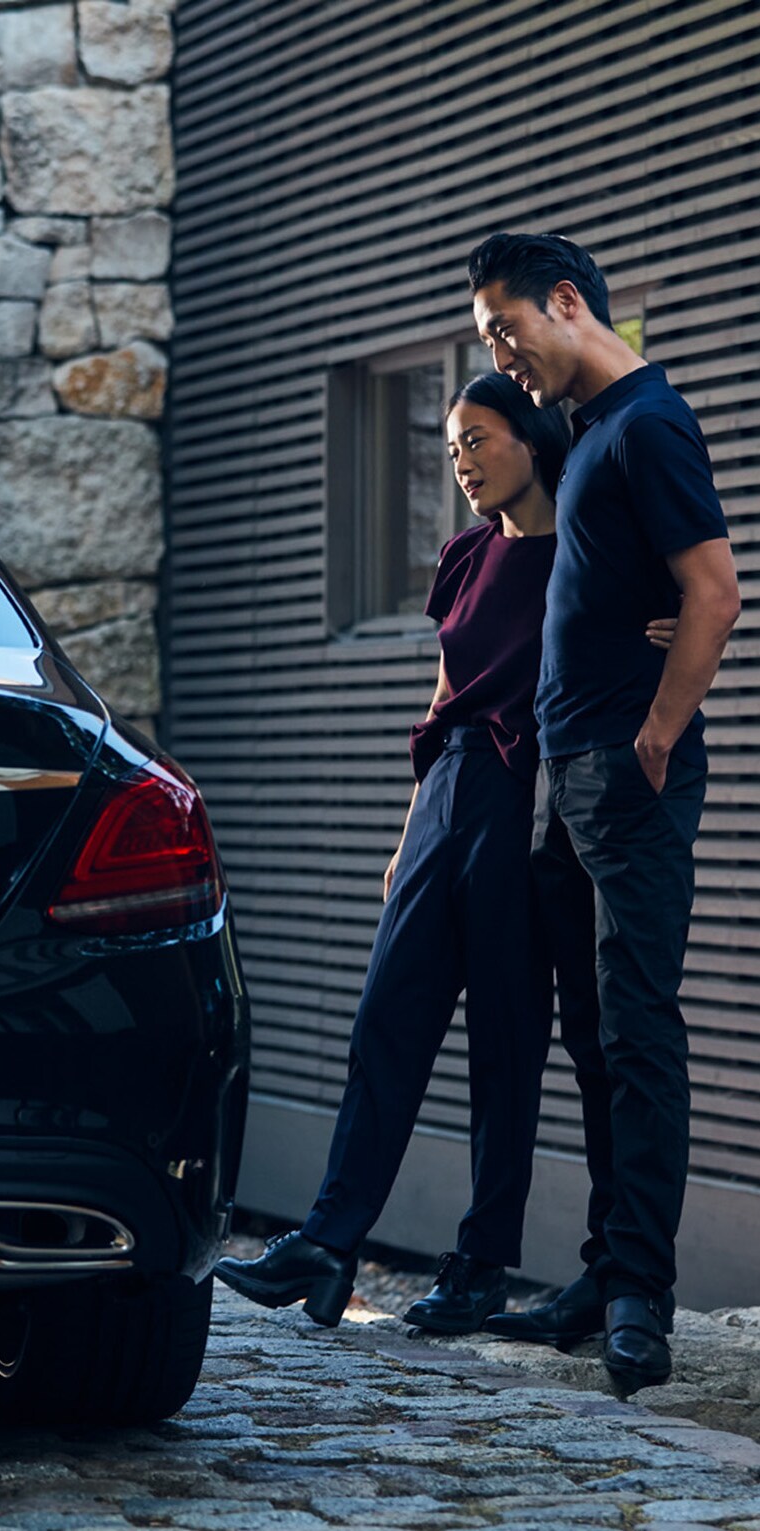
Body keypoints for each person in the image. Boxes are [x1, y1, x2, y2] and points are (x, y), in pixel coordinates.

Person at [215, 373, 674, 1336]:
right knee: (388, 1014)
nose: (460, 459)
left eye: (478, 438)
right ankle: (331, 1240)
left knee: (508, 1045)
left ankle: (478, 1265)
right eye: (452, 443)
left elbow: (671, 614)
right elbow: (437, 705)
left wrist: (662, 624)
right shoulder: (463, 557)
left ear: (532, 438)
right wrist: (406, 832)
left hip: (526, 803)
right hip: (447, 796)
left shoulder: (587, 556)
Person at [467, 232, 740, 1393]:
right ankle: (596, 1273)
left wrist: (661, 729)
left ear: (563, 301)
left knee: (635, 1030)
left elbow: (713, 589)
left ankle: (639, 1294)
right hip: (566, 771)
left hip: (625, 774)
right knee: (587, 1034)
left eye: (501, 330)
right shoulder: (584, 438)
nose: (500, 355)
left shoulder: (649, 424)